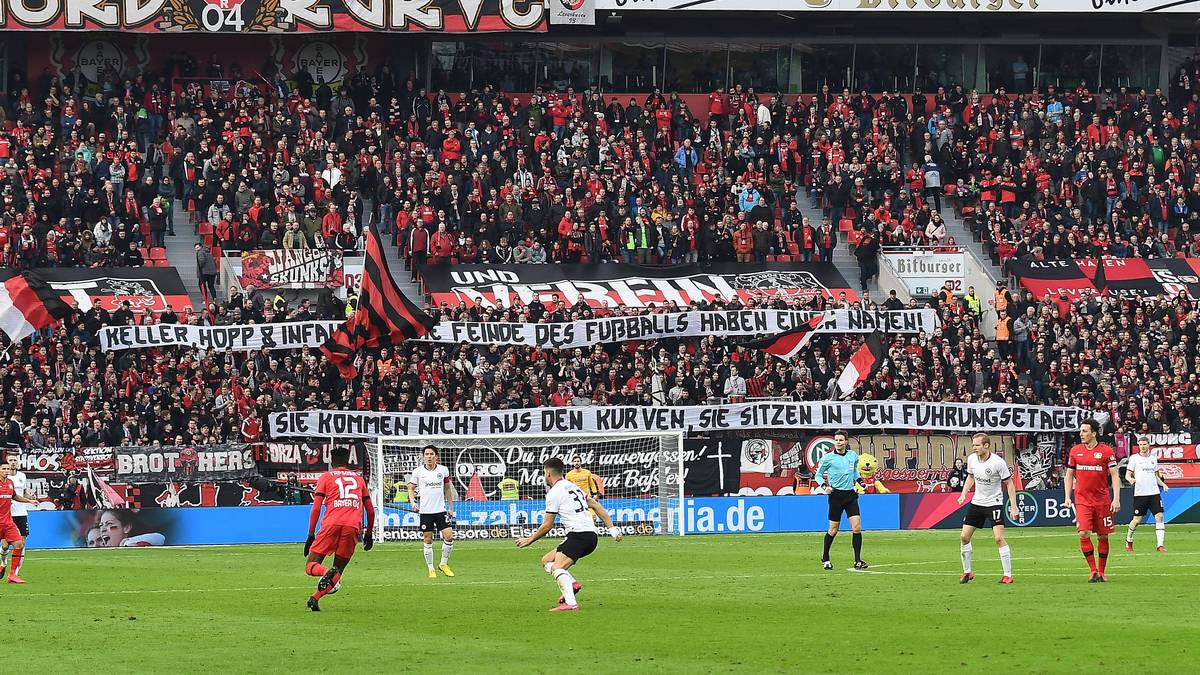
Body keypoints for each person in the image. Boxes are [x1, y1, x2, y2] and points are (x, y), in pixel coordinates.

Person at [516, 458, 623, 612]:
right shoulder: (573, 487)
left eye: (544, 473)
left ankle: (571, 604)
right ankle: (572, 584)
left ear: (547, 473)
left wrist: (529, 540)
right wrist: (612, 529)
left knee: (558, 568)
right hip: (588, 535)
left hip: (579, 535)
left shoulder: (554, 493)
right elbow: (596, 505)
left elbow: (547, 525)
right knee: (547, 561)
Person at [303, 445, 374, 611]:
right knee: (338, 570)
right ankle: (315, 598)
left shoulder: (327, 477)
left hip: (331, 524)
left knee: (311, 566)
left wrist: (311, 534)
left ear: (331, 461)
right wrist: (369, 533)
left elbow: (316, 508)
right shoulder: (358, 479)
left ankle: (326, 572)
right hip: (352, 527)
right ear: (347, 461)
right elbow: (370, 510)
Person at [956, 433, 1019, 584]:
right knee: (964, 537)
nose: (974, 448)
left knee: (998, 538)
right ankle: (967, 571)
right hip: (977, 502)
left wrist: (1014, 507)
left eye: (977, 445)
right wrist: (964, 494)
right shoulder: (972, 459)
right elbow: (971, 477)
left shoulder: (998, 463)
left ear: (986, 445)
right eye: (973, 445)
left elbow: (1009, 484)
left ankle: (1008, 575)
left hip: (994, 503)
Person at [1062, 419, 1121, 583]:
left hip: (1102, 501)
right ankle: (1093, 570)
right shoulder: (1075, 451)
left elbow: (1115, 475)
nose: (1081, 434)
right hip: (1082, 500)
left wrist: (1116, 499)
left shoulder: (1106, 452)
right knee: (1083, 533)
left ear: (1094, 433)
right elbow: (1069, 474)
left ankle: (1102, 572)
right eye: (1081, 431)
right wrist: (1067, 497)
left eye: (1085, 431)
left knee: (1103, 536)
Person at [812, 430, 867, 570]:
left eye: (841, 440)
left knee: (856, 527)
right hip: (836, 496)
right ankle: (825, 557)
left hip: (850, 495)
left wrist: (860, 481)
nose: (838, 442)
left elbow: (854, 471)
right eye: (836, 440)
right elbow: (818, 476)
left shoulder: (852, 456)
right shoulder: (828, 458)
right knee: (833, 530)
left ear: (846, 442)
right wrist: (825, 486)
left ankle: (858, 560)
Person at [408, 445, 455, 578]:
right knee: (428, 539)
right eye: (426, 454)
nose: (429, 456)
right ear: (423, 457)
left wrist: (451, 507)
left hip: (440, 510)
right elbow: (410, 488)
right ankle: (431, 568)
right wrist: (413, 502)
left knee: (449, 537)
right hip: (426, 511)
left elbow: (447, 489)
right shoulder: (418, 472)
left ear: (436, 456)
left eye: (431, 454)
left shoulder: (443, 470)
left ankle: (443, 564)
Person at [1124, 436, 1168, 553]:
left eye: (1144, 444)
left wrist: (1163, 484)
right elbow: (1127, 475)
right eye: (1140, 445)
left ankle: (1160, 545)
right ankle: (1129, 539)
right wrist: (1131, 480)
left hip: (1154, 493)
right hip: (1140, 494)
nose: (1142, 447)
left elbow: (1155, 476)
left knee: (1159, 516)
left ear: (1149, 445)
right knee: (1137, 520)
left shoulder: (1153, 459)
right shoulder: (1134, 458)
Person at [0, 461, 38, 583]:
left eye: (7, 468)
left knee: (19, 544)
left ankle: (12, 575)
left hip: (7, 522)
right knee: (5, 546)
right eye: (3, 468)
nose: (6, 470)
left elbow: (15, 496)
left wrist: (29, 501)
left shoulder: (10, 483)